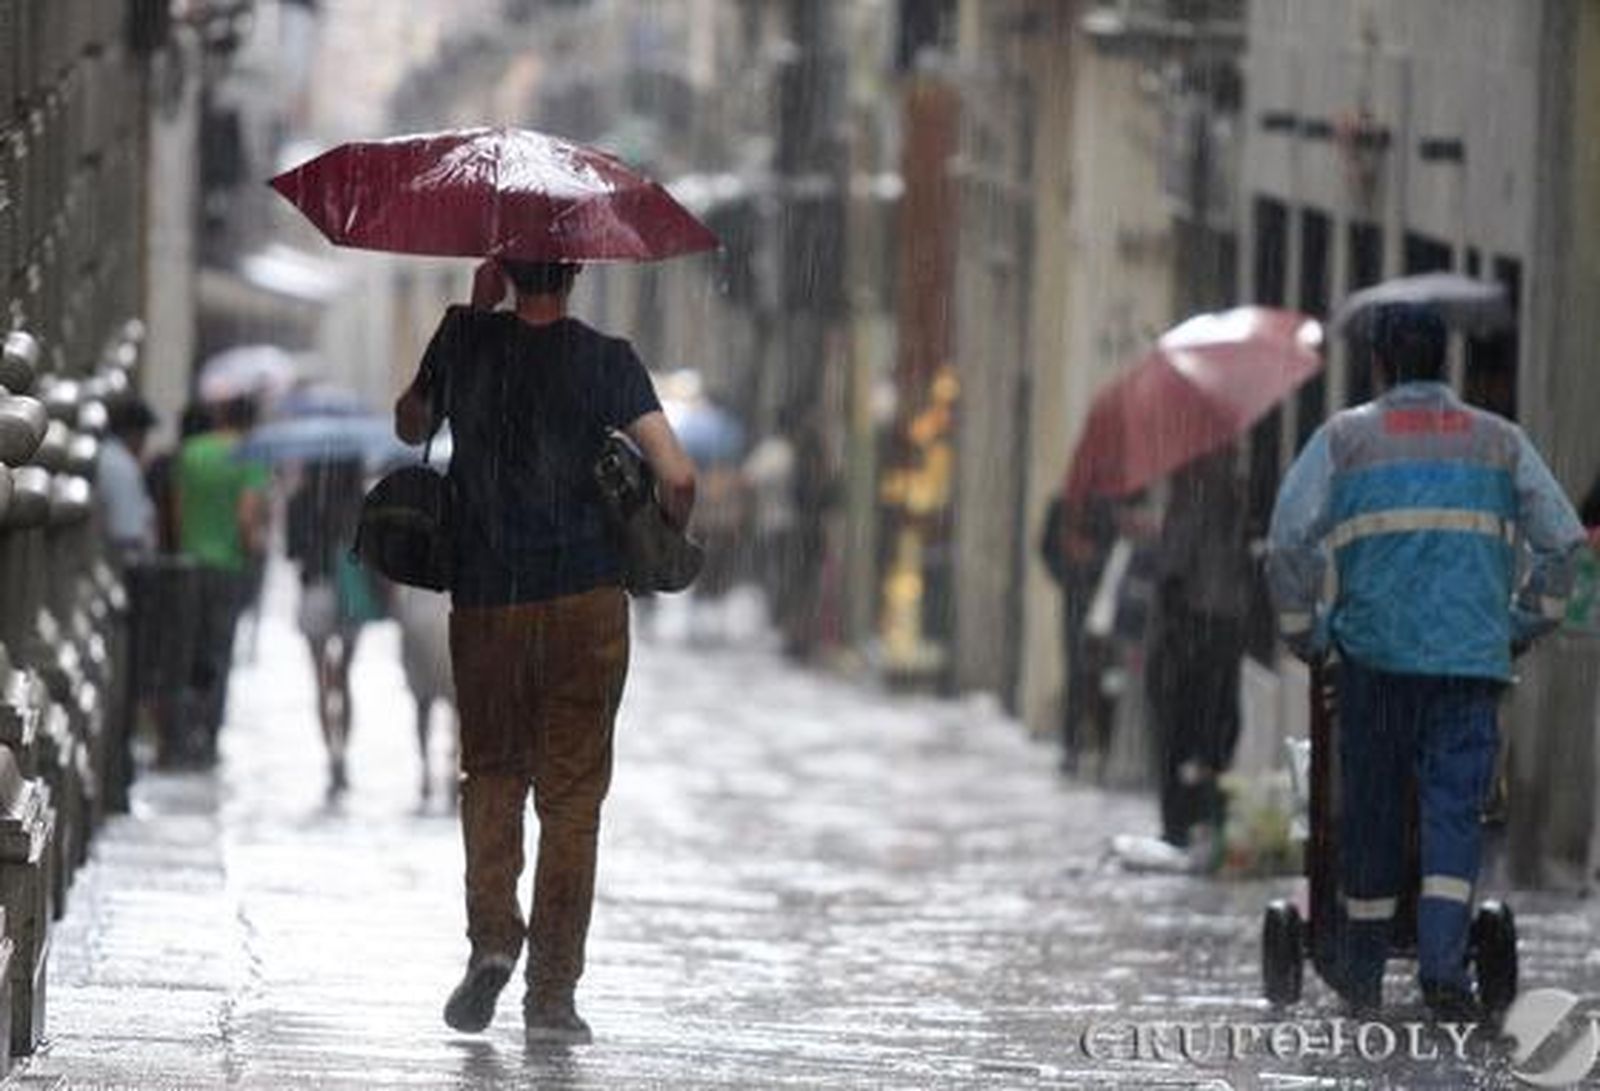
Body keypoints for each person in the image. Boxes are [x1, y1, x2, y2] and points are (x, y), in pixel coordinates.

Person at [394, 257, 695, 1043]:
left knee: (491, 773)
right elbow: (680, 475)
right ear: (578, 267)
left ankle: (493, 936)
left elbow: (410, 424)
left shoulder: (465, 340)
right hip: (585, 603)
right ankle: (552, 995)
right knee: (571, 800)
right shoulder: (607, 359)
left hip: (489, 597)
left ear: (504, 266)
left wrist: (468, 314)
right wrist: (656, 528)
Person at [1267, 303, 1584, 1019]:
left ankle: (1363, 968)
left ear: (1379, 362)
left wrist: (1306, 633)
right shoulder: (1499, 442)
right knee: (1453, 814)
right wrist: (1521, 623)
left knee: (1372, 812)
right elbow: (1564, 543)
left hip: (1373, 662)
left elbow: (1289, 541)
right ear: (1446, 361)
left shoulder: (1345, 439)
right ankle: (1444, 969)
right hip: (1468, 664)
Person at [1146, 446, 1251, 854]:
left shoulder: (1194, 500)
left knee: (1184, 731)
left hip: (1196, 632)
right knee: (1216, 730)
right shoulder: (1231, 501)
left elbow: (1173, 572)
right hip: (1221, 630)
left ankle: (1184, 822)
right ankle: (1204, 816)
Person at [175, 396, 270, 765]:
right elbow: (247, 517)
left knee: (188, 649)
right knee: (220, 651)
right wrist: (251, 554)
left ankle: (182, 735)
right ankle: (208, 737)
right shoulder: (250, 456)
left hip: (189, 562)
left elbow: (176, 510)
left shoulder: (192, 451)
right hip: (228, 566)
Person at [285, 458, 382, 799]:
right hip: (351, 595)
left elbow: (291, 552)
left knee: (320, 682)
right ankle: (344, 754)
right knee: (345, 679)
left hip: (316, 591)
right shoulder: (361, 501)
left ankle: (332, 754)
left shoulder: (301, 500)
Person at [1038, 493, 1116, 775]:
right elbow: (1047, 551)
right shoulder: (1062, 507)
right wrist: (1071, 575)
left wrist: (1093, 562)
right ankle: (1072, 745)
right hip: (1075, 602)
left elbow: (1113, 552)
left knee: (1104, 676)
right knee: (1076, 673)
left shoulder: (1109, 506)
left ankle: (1103, 745)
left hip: (1106, 603)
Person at [96, 396, 159, 564]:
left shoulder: (109, 456)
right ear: (132, 432)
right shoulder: (121, 465)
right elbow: (128, 530)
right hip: (124, 565)